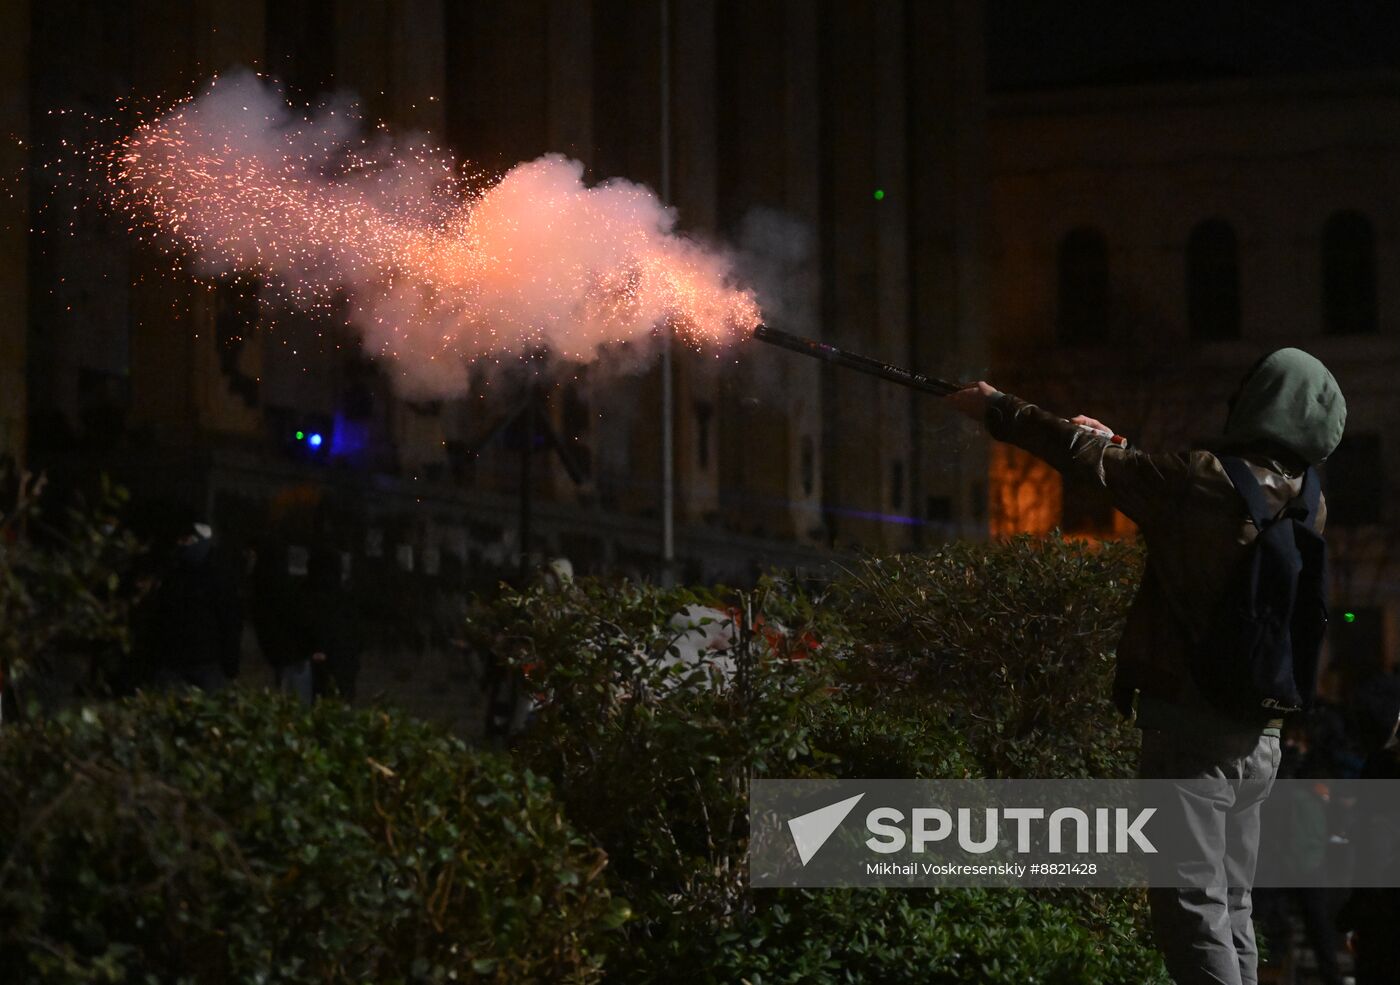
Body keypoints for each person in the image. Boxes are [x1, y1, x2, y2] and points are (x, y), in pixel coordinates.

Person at [947, 348, 1347, 985]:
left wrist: (998, 409)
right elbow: (1182, 490)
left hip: (1189, 728)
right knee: (1233, 902)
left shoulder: (1198, 481)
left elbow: (1109, 470)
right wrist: (1119, 446)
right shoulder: (1309, 498)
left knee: (1189, 908)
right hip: (1260, 735)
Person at [147, 519, 243, 692]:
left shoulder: (219, 574)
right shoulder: (174, 570)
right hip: (174, 661)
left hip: (207, 663)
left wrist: (230, 665)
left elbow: (230, 622)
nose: (182, 544)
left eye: (188, 540)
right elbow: (161, 615)